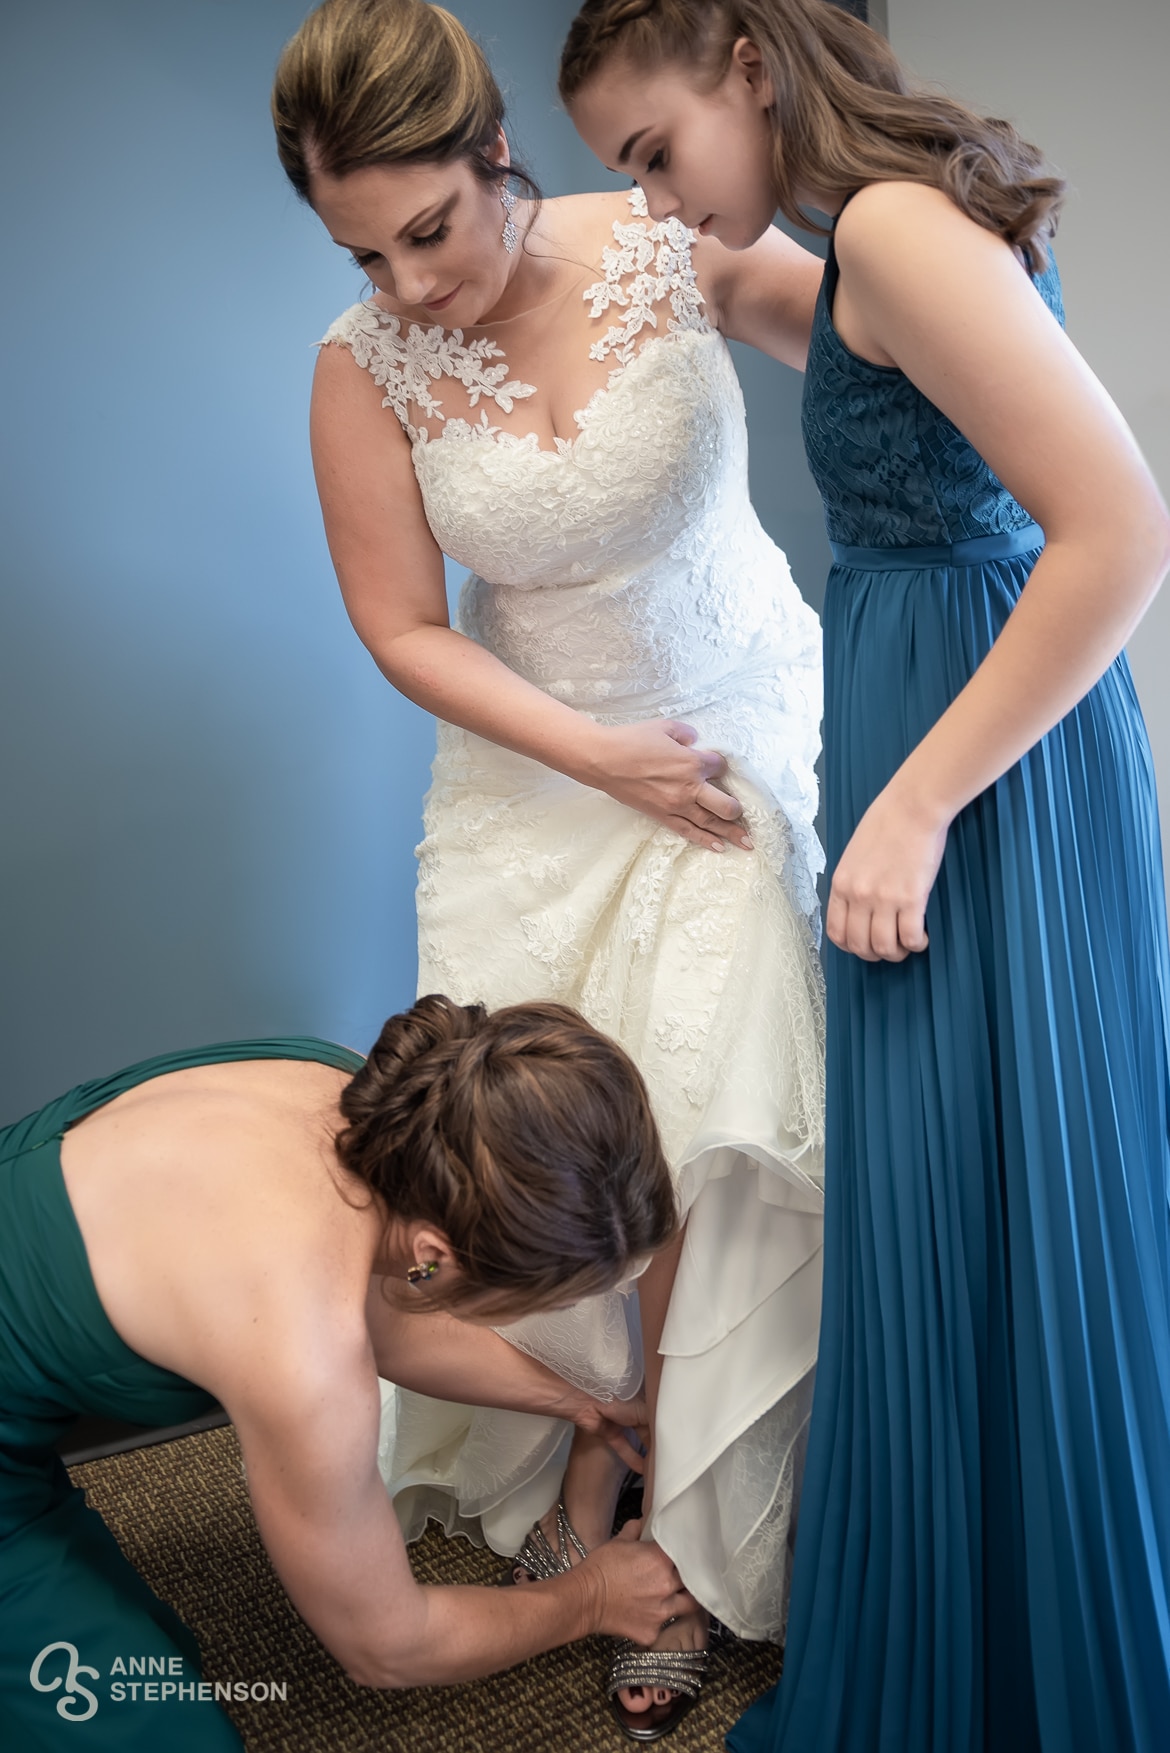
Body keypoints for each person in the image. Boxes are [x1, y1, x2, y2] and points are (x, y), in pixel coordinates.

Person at [560, 2, 1170, 1750]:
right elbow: (734, 289)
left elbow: (1122, 526)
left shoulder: (896, 228)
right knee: (957, 1195)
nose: (661, 204)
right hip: (948, 732)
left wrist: (909, 811)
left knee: (1002, 1192)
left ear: (749, 61)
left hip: (980, 769)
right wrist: (501, 238)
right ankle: (984, 1618)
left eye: (659, 154)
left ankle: (1027, 1656)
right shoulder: (851, 249)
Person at [271, 0, 828, 1734]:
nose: (408, 283)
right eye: (361, 248)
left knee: (702, 1116)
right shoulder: (365, 365)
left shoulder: (670, 236)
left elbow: (898, 340)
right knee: (539, 1162)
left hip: (738, 732)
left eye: (427, 228)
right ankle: (585, 1471)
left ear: (496, 147)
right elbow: (398, 626)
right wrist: (593, 755)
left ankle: (677, 1508)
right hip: (543, 766)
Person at [0, 996, 690, 1750]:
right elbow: (387, 1645)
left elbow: (377, 1303)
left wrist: (577, 1398)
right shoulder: (307, 1360)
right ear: (437, 1255)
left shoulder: (358, 1097)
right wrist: (591, 1597)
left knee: (149, 1662)